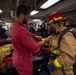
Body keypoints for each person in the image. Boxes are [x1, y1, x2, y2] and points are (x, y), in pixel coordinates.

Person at [11, 4, 45, 75]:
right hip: (23, 62)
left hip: (17, 57)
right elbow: (33, 47)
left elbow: (25, 34)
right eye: (28, 17)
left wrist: (35, 36)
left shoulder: (15, 26)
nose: (28, 19)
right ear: (22, 15)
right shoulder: (22, 31)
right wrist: (42, 42)